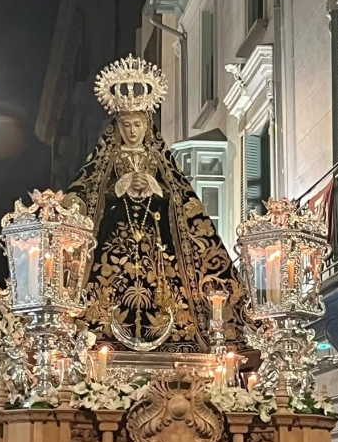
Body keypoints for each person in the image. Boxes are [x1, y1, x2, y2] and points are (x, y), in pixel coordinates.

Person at [67, 56, 248, 355]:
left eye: (137, 125)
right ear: (117, 127)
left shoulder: (159, 160)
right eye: (126, 125)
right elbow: (87, 193)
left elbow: (182, 199)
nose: (132, 131)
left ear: (146, 126)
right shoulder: (107, 160)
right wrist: (119, 188)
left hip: (157, 241)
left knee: (163, 287)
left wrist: (154, 187)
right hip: (116, 238)